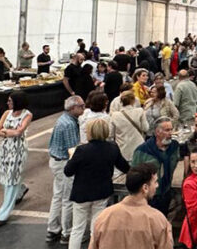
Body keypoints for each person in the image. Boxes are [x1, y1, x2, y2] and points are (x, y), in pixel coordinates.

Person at [65, 117, 131, 249]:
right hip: (102, 192)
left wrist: (72, 158)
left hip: (82, 193)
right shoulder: (112, 147)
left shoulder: (82, 150)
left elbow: (68, 171)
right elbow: (125, 167)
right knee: (96, 228)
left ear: (90, 132)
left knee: (77, 229)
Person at [88, 163, 172, 249]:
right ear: (145, 188)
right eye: (155, 182)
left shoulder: (105, 216)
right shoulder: (157, 220)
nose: (157, 185)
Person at [46, 95, 85, 243]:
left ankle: (52, 229)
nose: (84, 108)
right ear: (73, 108)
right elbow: (72, 150)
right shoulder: (69, 124)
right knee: (67, 198)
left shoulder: (63, 119)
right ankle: (66, 232)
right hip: (63, 162)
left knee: (57, 196)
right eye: (81, 106)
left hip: (56, 160)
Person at [0, 91, 33, 225]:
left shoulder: (27, 115)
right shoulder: (7, 113)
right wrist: (8, 133)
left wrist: (6, 131)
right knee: (5, 175)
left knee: (11, 179)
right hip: (5, 148)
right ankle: (20, 189)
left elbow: (19, 132)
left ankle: (3, 213)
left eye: (10, 101)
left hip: (18, 149)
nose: (8, 103)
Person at [131, 116, 182, 216]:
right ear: (157, 132)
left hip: (166, 194)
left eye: (171, 129)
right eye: (167, 130)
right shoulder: (143, 151)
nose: (170, 133)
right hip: (148, 197)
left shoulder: (174, 147)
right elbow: (134, 175)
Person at [111, 91, 149, 163]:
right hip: (139, 147)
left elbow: (110, 134)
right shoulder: (140, 111)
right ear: (133, 100)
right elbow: (145, 128)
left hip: (122, 150)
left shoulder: (115, 115)